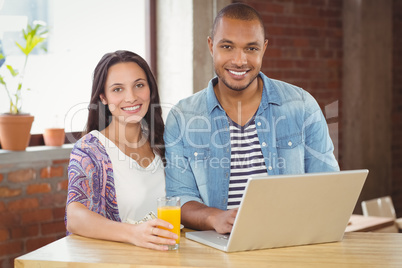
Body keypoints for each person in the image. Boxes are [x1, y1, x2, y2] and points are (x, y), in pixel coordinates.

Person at [164, 3, 340, 234]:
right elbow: (179, 197)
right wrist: (215, 217)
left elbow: (326, 186)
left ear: (264, 49)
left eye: (251, 49)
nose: (239, 60)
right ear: (211, 46)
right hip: (217, 252)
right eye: (227, 46)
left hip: (290, 242)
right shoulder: (182, 117)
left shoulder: (302, 106)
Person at [65, 50, 178, 251]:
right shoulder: (89, 149)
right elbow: (74, 217)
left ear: (150, 89)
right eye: (118, 89)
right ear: (103, 97)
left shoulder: (163, 140)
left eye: (139, 85)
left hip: (166, 258)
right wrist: (133, 234)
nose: (131, 97)